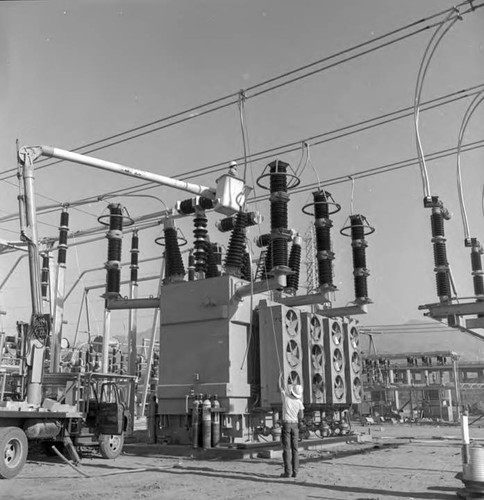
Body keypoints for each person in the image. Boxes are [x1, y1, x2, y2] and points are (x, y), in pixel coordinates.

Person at [278, 373, 304, 478]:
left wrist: (280, 377)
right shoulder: (299, 402)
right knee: (295, 449)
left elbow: (280, 387)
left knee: (286, 449)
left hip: (287, 425)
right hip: (295, 425)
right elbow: (301, 416)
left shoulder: (286, 398)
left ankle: (287, 472)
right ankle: (295, 472)